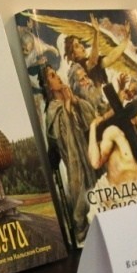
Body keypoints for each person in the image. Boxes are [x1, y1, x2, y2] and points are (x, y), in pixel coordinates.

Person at [40, 64, 98, 244]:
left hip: (85, 153)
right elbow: (58, 135)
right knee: (80, 193)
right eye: (52, 76)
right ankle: (81, 230)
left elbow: (90, 119)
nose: (58, 77)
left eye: (56, 73)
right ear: (48, 86)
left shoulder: (71, 98)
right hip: (72, 160)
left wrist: (75, 103)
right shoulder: (52, 109)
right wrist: (66, 108)